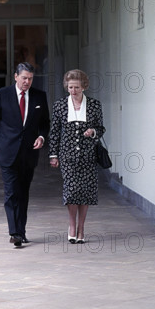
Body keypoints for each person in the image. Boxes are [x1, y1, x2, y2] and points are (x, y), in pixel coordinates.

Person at [0, 62, 50, 247]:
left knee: (23, 193)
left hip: (29, 154)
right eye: (24, 78)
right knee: (11, 192)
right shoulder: (2, 94)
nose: (27, 82)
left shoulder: (39, 96)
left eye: (30, 79)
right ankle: (14, 233)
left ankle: (21, 232)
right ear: (15, 77)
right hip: (7, 152)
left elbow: (45, 123)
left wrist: (41, 137)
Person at [49, 69, 105, 243]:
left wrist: (93, 131)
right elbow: (54, 131)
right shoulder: (59, 105)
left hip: (88, 155)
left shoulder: (94, 105)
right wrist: (53, 155)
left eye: (76, 87)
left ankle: (82, 227)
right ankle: (72, 225)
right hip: (67, 155)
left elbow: (101, 128)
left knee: (86, 191)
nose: (73, 91)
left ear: (84, 87)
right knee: (72, 190)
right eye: (70, 87)